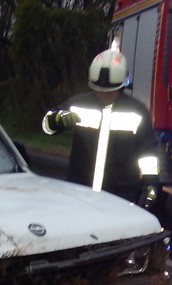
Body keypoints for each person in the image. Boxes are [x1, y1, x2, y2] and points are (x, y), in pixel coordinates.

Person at [42, 49, 164, 206]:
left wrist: (150, 185)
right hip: (79, 194)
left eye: (110, 91)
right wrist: (57, 120)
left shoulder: (137, 111)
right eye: (99, 90)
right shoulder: (79, 104)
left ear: (121, 86)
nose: (104, 94)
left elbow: (148, 154)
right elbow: (47, 125)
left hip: (121, 197)